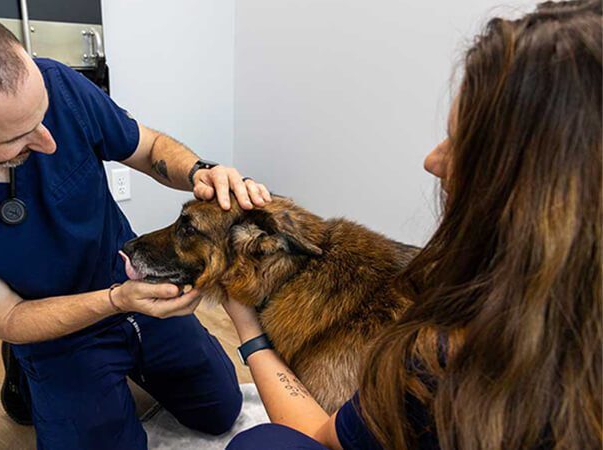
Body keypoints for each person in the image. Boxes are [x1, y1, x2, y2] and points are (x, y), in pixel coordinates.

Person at [0, 1, 272, 448]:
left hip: (129, 275)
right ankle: (28, 373)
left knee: (221, 411)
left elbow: (147, 147)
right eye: (16, 138)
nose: (48, 140)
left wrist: (199, 170)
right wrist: (117, 300)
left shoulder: (57, 83)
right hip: (56, 331)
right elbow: (8, 315)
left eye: (43, 116)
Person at [224, 1, 601, 448]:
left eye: (459, 143)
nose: (433, 161)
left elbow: (317, 436)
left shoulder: (446, 356)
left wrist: (248, 329)